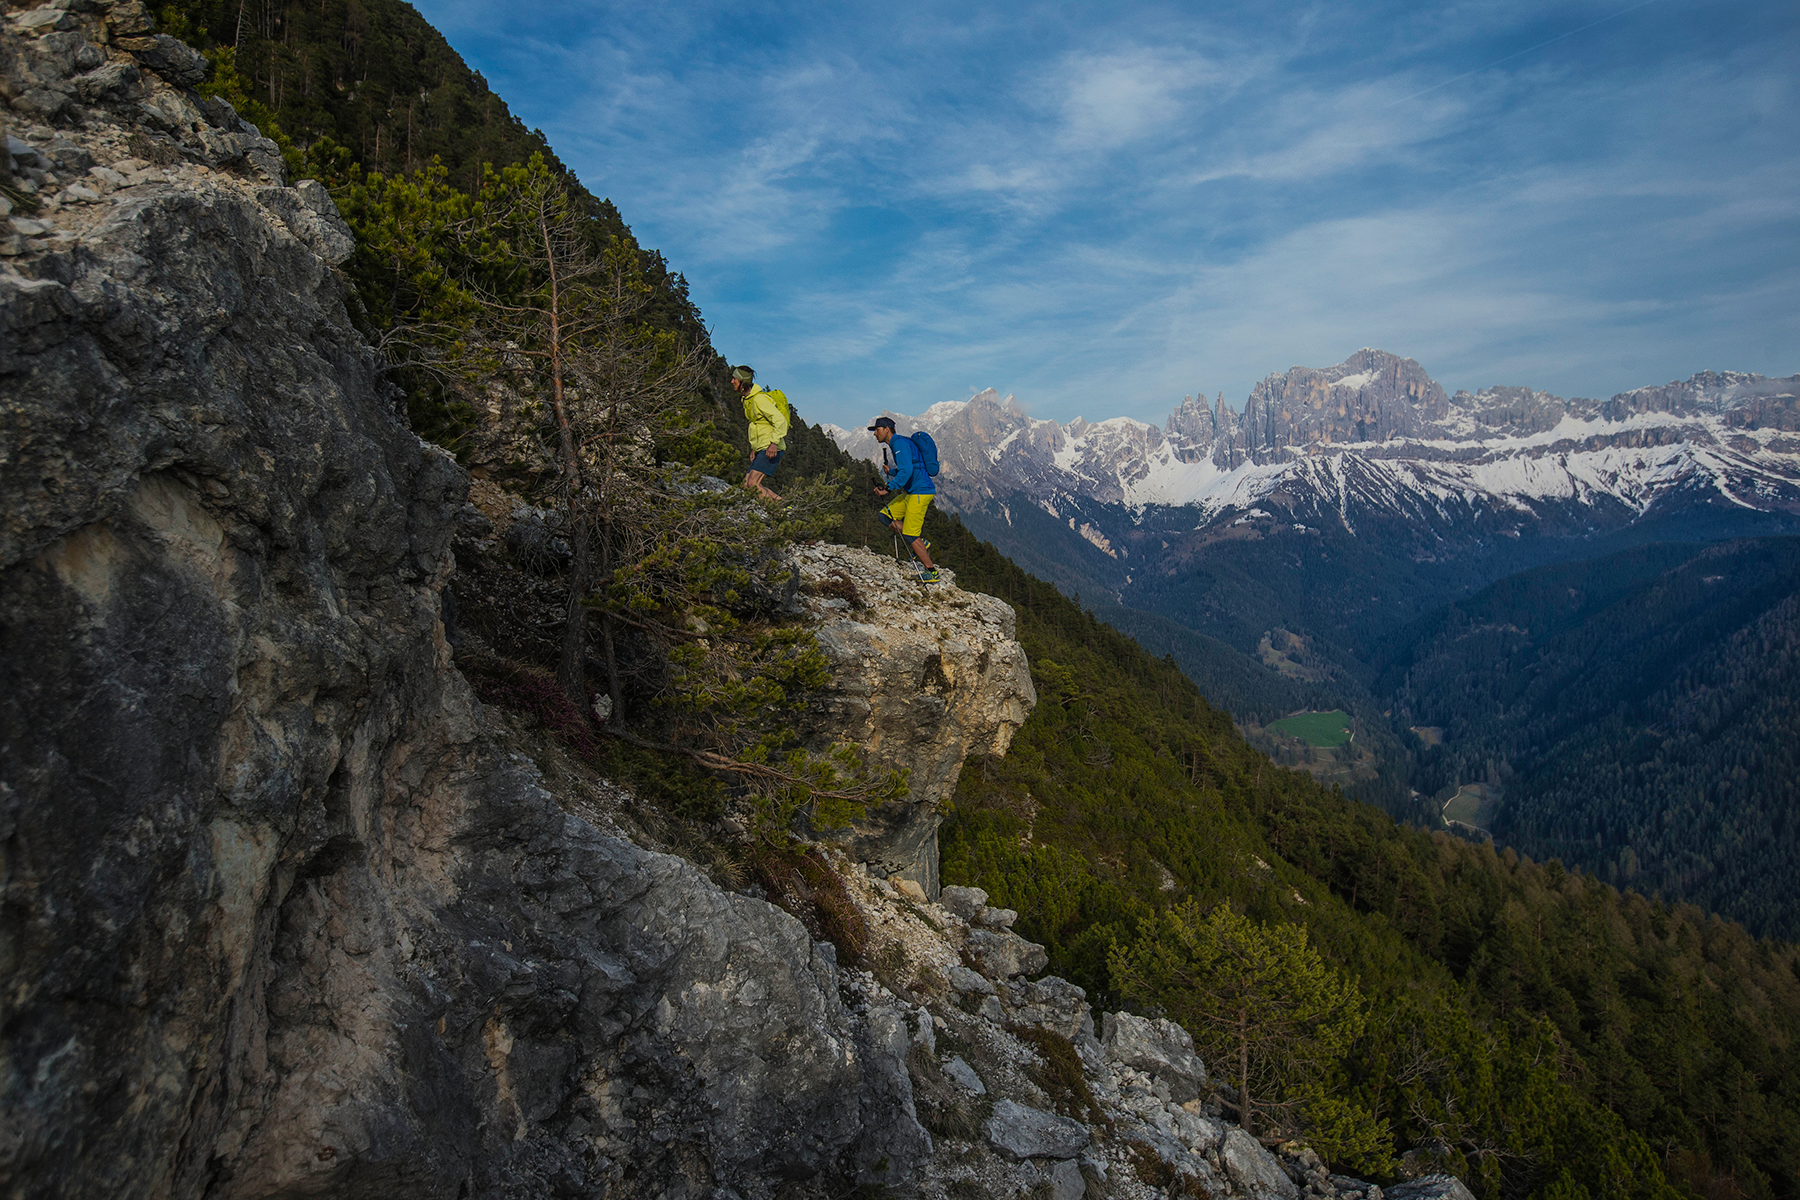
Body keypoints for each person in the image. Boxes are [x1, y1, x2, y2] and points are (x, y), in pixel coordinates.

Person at [868, 416, 939, 583]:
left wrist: (887, 489)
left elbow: (906, 471)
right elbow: (911, 467)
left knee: (910, 533)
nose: (875, 434)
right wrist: (892, 472)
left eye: (876, 430)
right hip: (911, 492)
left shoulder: (899, 443)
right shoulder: (899, 443)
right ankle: (920, 542)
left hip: (920, 492)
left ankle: (932, 572)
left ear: (886, 429)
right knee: (885, 516)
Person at [732, 365, 787, 502]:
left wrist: (774, 443)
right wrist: (754, 449)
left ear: (743, 382)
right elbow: (758, 427)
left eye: (735, 379)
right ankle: (782, 503)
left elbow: (780, 420)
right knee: (746, 485)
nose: (732, 382)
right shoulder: (748, 400)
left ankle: (778, 514)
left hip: (771, 447)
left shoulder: (759, 399)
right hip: (762, 447)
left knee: (752, 484)